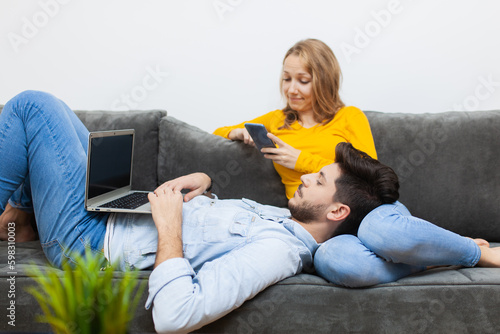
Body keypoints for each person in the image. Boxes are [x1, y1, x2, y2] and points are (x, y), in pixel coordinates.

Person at [1, 91, 500, 333]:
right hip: (109, 219)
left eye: (319, 180)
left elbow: (177, 317)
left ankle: (17, 222)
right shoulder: (283, 220)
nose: (306, 175)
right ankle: (19, 226)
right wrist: (205, 185)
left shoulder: (277, 252)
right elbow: (220, 224)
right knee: (63, 115)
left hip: (88, 242)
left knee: (32, 108)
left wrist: (170, 230)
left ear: (338, 209)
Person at [213, 38, 377, 199]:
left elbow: (370, 175)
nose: (291, 90)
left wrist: (301, 160)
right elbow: (216, 134)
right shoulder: (277, 119)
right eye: (286, 79)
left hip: (346, 208)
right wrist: (237, 133)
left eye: (303, 80)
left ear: (325, 82)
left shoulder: (349, 116)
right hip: (304, 215)